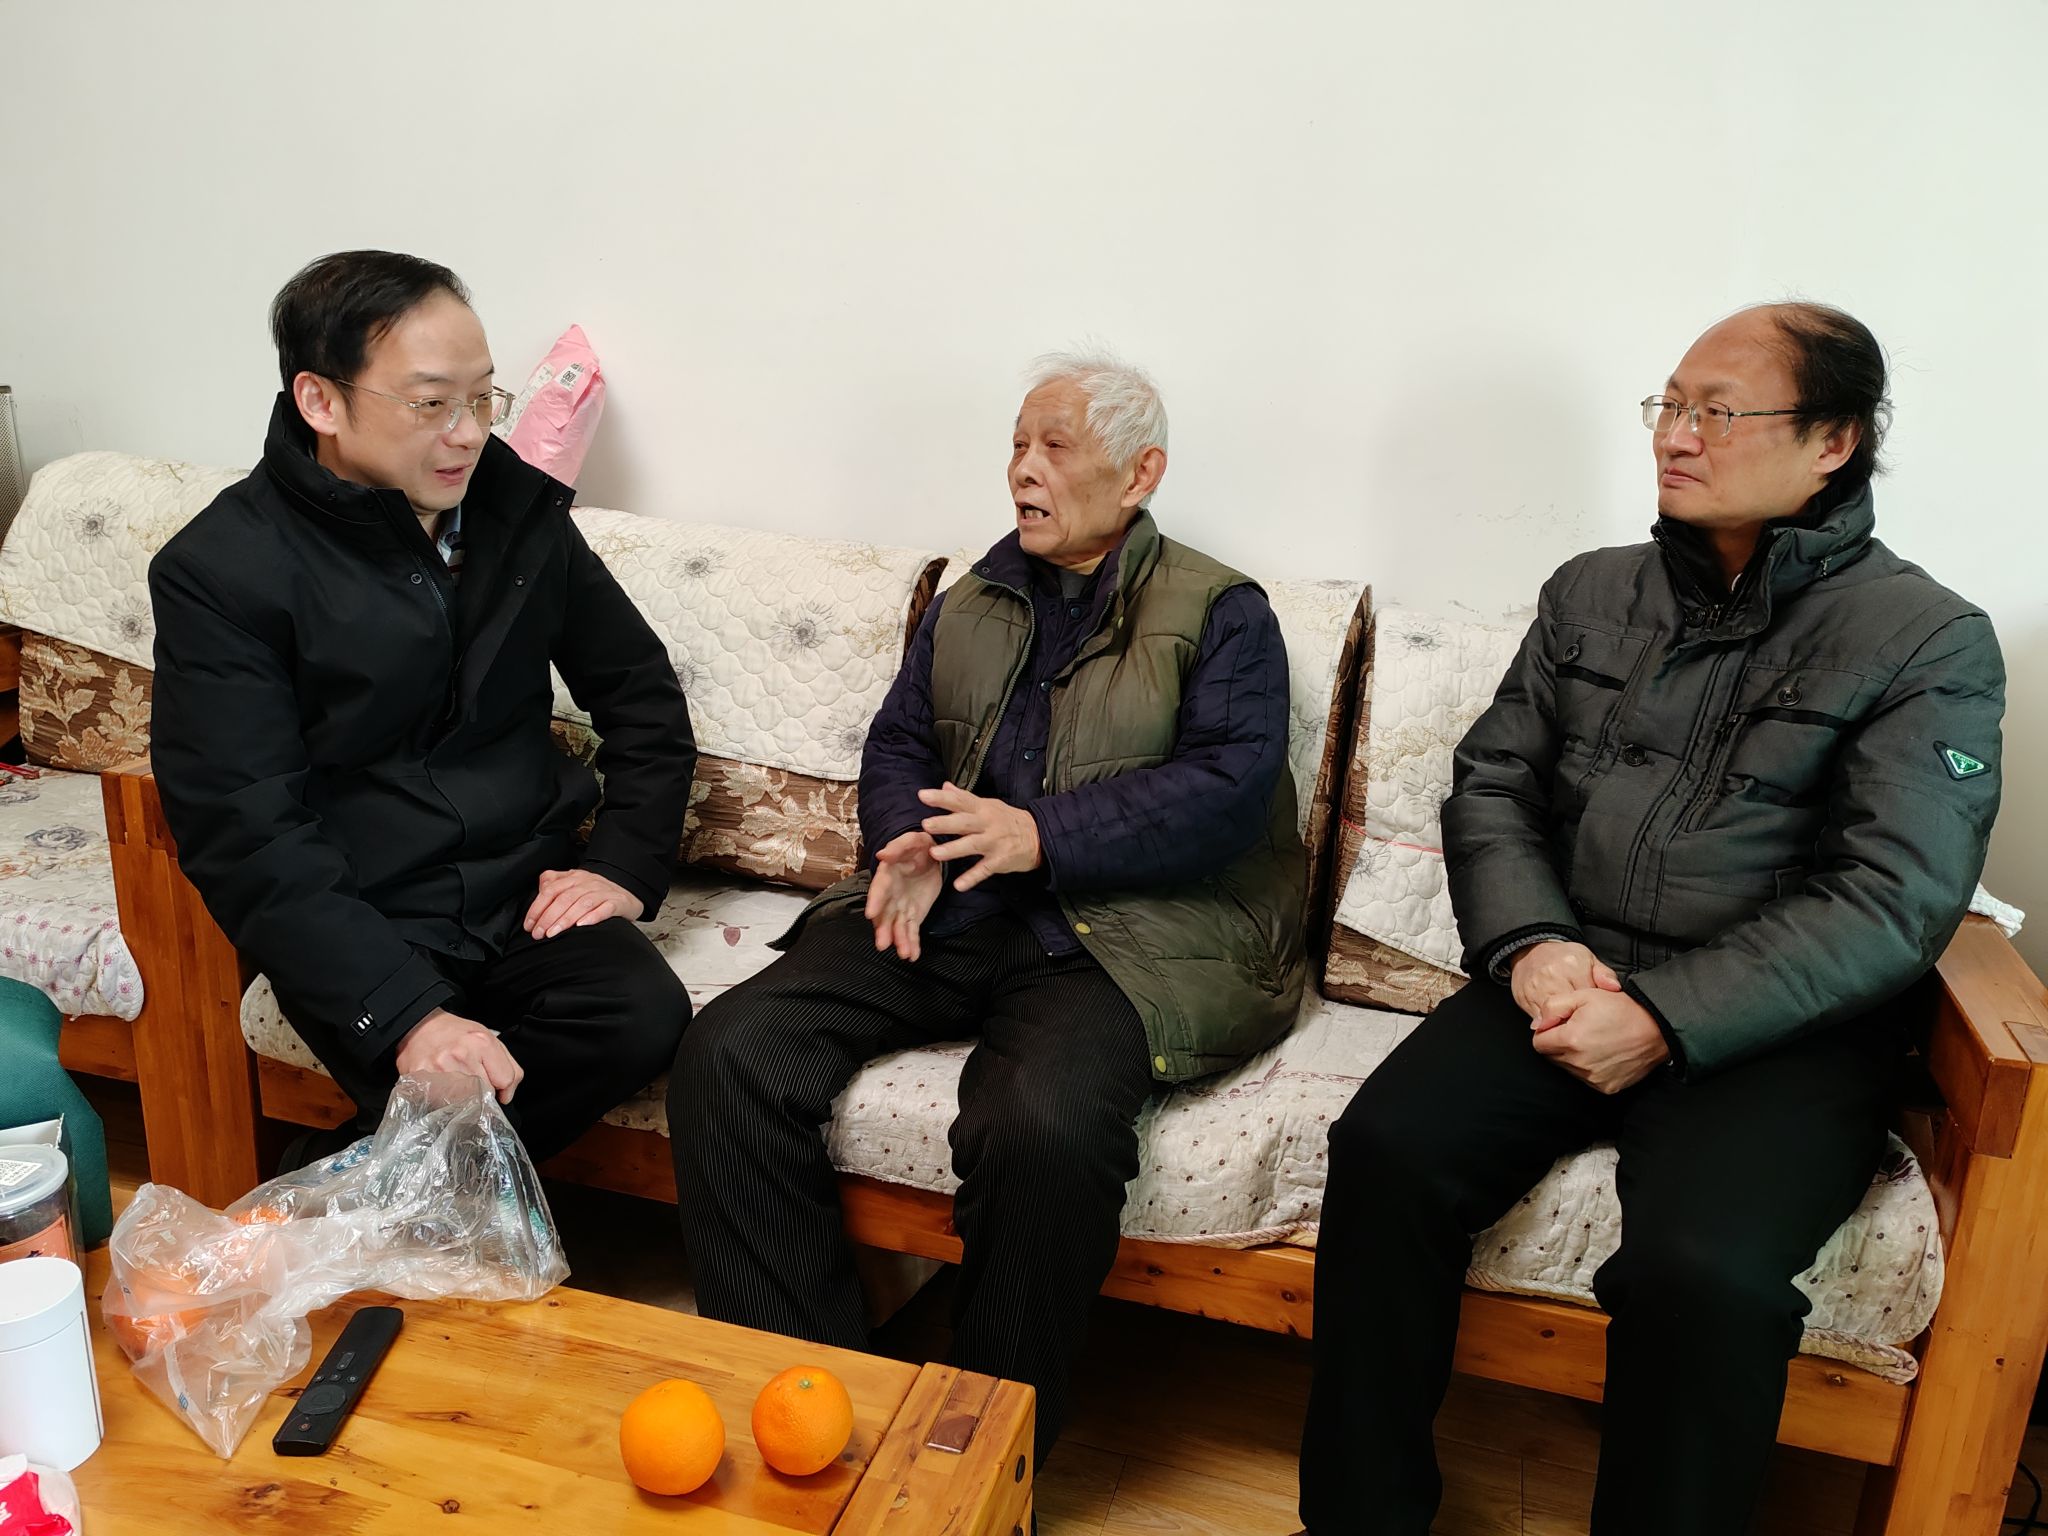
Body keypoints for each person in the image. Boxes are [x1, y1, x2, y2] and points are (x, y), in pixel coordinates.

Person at [1297, 303, 2004, 1535]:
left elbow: (1891, 894)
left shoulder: (1926, 640)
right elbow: (1493, 782)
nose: (1675, 435)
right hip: (1568, 970)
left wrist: (1667, 1021)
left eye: (1715, 412)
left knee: (1701, 1274)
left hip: (1775, 1033)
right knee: (1385, 1153)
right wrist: (1531, 946)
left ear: (1832, 440)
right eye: (1667, 406)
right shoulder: (1590, 592)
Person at [670, 350, 1306, 1462]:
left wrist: (1043, 835)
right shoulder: (973, 597)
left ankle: (975, 1463)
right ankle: (816, 1405)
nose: (1023, 468)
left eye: (1055, 446)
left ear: (1140, 473)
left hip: (1126, 937)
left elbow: (1228, 789)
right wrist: (903, 840)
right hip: (960, 906)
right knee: (729, 1053)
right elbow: (899, 741)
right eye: (1016, 444)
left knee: (1039, 1125)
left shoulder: (1222, 610)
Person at [150, 250, 695, 1168]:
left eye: (483, 398)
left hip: (521, 890)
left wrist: (624, 863)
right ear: (321, 401)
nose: (468, 434)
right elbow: (244, 828)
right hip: (365, 910)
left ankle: (330, 1190)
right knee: (445, 1081)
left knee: (639, 1013)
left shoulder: (515, 510)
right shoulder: (221, 570)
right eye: (431, 403)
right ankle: (367, 1201)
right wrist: (407, 1016)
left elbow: (639, 691)